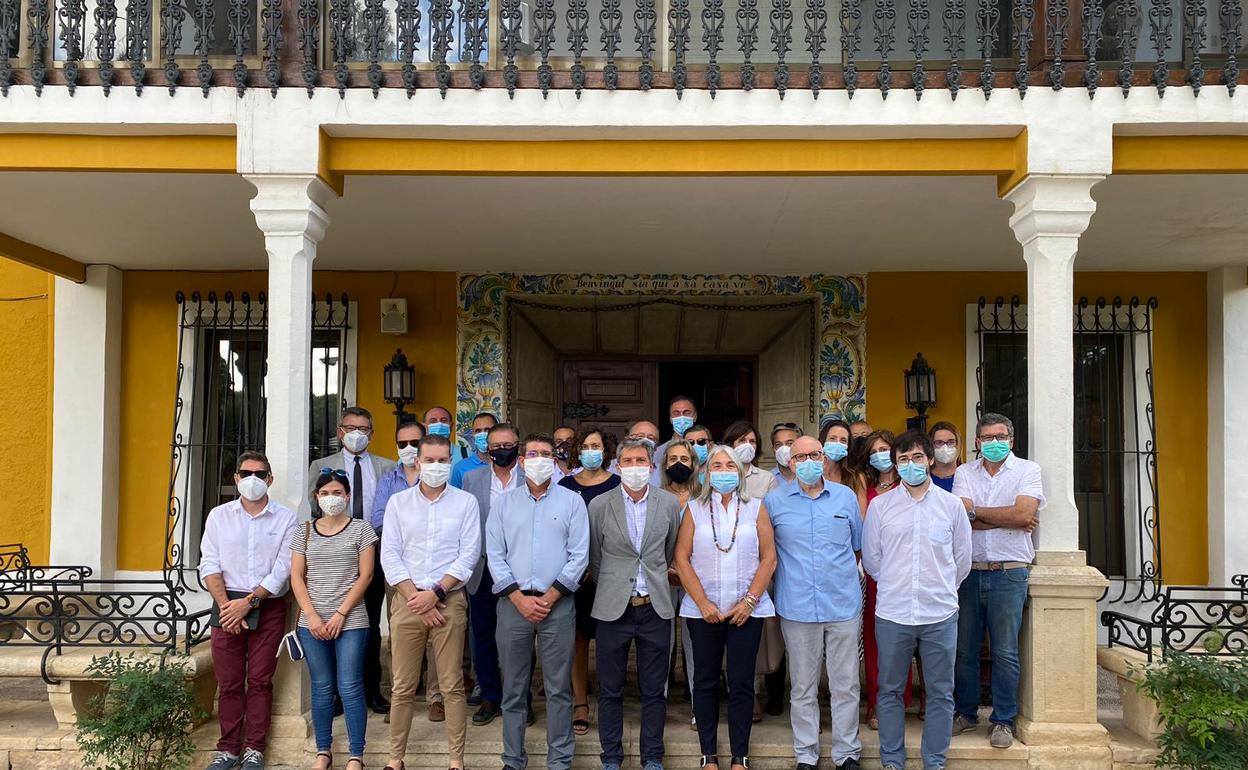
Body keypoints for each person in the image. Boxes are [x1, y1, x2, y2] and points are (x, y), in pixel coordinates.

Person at [862, 430, 972, 770]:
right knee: (890, 691)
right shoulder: (880, 507)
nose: (910, 465)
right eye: (903, 460)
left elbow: (961, 560)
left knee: (940, 692)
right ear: (896, 465)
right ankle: (892, 761)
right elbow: (872, 561)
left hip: (939, 613)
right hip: (894, 613)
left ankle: (934, 762)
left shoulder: (951, 506)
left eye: (917, 458)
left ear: (929, 459)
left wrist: (936, 587)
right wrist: (901, 585)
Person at [486, 433, 589, 770]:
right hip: (513, 605)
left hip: (556, 606)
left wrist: (550, 596)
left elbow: (579, 556)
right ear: (522, 460)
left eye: (546, 453)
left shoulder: (572, 501)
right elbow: (495, 556)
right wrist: (518, 598)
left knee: (559, 688)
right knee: (514, 690)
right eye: (534, 453)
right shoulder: (503, 504)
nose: (540, 459)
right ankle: (513, 760)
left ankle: (559, 760)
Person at [673, 444, 777, 770]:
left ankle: (739, 756)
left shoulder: (757, 507)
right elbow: (681, 557)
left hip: (746, 609)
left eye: (729, 466)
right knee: (704, 681)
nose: (723, 472)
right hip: (703, 611)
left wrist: (749, 601)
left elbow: (769, 557)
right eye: (716, 466)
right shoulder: (693, 509)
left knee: (742, 682)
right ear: (706, 473)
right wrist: (702, 602)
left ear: (740, 472)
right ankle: (708, 754)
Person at [381, 433, 481, 770]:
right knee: (403, 686)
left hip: (448, 600)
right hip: (407, 600)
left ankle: (456, 760)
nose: (436, 466)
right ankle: (395, 759)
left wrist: (435, 595)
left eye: (442, 460)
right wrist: (415, 598)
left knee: (452, 684)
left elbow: (467, 557)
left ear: (449, 462)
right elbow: (390, 555)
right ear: (417, 461)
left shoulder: (465, 503)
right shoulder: (399, 503)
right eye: (430, 460)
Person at [766, 435, 864, 770]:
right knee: (803, 686)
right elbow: (769, 554)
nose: (808, 461)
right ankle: (806, 754)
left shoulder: (845, 497)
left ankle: (847, 752)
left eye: (815, 455)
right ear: (790, 463)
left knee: (846, 684)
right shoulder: (774, 502)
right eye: (800, 457)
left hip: (842, 604)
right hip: (797, 606)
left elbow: (857, 547)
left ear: (824, 458)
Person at [200, 451, 298, 770]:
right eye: (247, 473)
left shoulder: (286, 518)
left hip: (266, 607)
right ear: (236, 478)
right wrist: (229, 606)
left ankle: (254, 748)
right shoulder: (218, 516)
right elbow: (209, 563)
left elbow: (283, 568)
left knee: (259, 680)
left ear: (270, 479)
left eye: (260, 474)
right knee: (228, 682)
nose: (253, 479)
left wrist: (249, 603)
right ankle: (228, 748)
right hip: (226, 606)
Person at [951, 413, 1043, 750]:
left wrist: (979, 513)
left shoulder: (1028, 471)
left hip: (1010, 572)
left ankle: (1003, 719)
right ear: (977, 442)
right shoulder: (963, 473)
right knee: (965, 650)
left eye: (999, 436)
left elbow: (1024, 514)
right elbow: (961, 516)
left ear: (1011, 440)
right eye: (986, 437)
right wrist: (1008, 517)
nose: (993, 442)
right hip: (969, 572)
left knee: (1005, 651)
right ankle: (965, 713)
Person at [589, 438, 682, 770]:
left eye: (641, 460)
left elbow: (670, 551)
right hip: (613, 608)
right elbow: (596, 560)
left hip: (655, 607)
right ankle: (611, 757)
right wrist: (616, 585)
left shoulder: (669, 504)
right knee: (610, 689)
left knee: (654, 690)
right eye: (627, 461)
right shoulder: (600, 505)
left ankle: (652, 756)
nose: (634, 467)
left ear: (652, 466)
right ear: (617, 466)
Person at [308, 406, 396, 715]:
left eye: (363, 428)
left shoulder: (388, 467)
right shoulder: (321, 465)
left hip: (374, 554)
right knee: (333, 623)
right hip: (334, 557)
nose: (356, 433)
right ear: (339, 431)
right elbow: (314, 508)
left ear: (371, 433)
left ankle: (371, 690)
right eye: (350, 427)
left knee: (369, 624)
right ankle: (334, 694)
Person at [292, 470, 378, 770]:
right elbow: (296, 577)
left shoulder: (362, 529)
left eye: (337, 493)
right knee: (322, 686)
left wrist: (341, 613)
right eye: (325, 493)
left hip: (351, 620)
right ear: (317, 497)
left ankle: (356, 755)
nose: (332, 498)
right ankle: (323, 751)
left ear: (348, 495)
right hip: (312, 622)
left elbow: (366, 575)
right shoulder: (303, 531)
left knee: (351, 685)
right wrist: (312, 616)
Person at [373, 419, 448, 722]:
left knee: (436, 638)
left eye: (413, 443)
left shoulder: (442, 480)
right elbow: (380, 519)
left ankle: (435, 697)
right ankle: (400, 696)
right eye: (402, 443)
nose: (407, 448)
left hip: (437, 578)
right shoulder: (388, 481)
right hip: (400, 574)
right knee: (399, 635)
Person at [557, 426, 621, 736]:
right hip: (576, 576)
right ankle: (580, 702)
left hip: (611, 575)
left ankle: (611, 700)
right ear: (577, 451)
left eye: (596, 445)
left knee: (609, 640)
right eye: (585, 445)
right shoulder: (565, 485)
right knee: (578, 639)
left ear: (606, 449)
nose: (590, 450)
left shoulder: (619, 485)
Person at [462, 422, 525, 727]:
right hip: (483, 567)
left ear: (518, 445)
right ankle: (490, 696)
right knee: (482, 635)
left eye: (508, 444)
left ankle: (520, 698)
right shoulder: (472, 478)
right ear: (486, 448)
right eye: (495, 445)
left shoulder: (531, 478)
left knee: (520, 637)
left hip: (522, 568)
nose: (502, 450)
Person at [723, 419, 781, 720]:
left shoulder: (765, 480)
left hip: (755, 564)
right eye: (740, 440)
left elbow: (767, 526)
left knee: (753, 637)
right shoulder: (715, 474)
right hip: (720, 565)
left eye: (752, 441)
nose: (747, 445)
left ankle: (753, 695)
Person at [856, 429, 912, 730]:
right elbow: (863, 528)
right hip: (875, 573)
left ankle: (901, 699)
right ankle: (876, 701)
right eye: (874, 450)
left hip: (906, 572)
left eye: (886, 449)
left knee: (901, 640)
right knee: (876, 639)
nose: (881, 456)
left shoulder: (909, 485)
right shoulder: (866, 486)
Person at [660, 440, 702, 728]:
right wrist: (665, 568)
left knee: (696, 644)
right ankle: (657, 703)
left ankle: (700, 705)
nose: (678, 463)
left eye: (684, 458)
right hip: (661, 578)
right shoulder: (656, 496)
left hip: (696, 579)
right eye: (673, 458)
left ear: (694, 463)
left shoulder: (705, 497)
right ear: (664, 465)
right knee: (662, 643)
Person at [821, 419, 867, 512]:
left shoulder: (856, 478)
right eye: (832, 438)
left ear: (848, 446)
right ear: (823, 441)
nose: (838, 443)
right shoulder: (812, 475)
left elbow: (861, 518)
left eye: (843, 440)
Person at [652, 396, 700, 485]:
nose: (682, 417)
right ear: (670, 419)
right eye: (676, 413)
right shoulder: (659, 452)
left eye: (686, 412)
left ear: (695, 416)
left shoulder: (703, 448)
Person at [451, 412, 499, 488]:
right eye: (478, 431)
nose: (483, 434)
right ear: (473, 434)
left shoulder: (507, 463)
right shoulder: (460, 468)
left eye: (487, 430)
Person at [928, 421, 963, 493]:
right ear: (931, 446)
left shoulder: (968, 476)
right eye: (939, 442)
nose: (945, 447)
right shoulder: (923, 478)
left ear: (958, 444)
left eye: (951, 442)